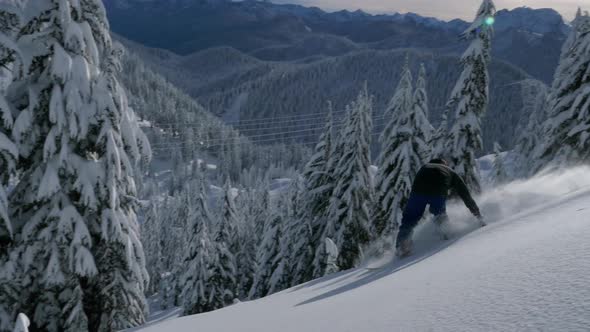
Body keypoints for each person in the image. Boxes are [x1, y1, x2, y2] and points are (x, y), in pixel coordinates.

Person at [396, 158, 484, 257]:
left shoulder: (424, 167)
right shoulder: (450, 171)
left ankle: (402, 247)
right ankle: (446, 239)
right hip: (438, 193)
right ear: (445, 164)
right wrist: (478, 215)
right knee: (440, 216)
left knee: (409, 220)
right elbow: (466, 196)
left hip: (418, 192)